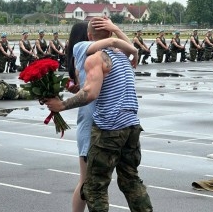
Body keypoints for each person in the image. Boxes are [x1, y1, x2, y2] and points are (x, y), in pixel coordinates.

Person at [46, 17, 153, 212]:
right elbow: (121, 45)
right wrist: (131, 47)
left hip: (108, 127)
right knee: (131, 180)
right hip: (132, 125)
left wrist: (61, 106)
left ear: (88, 36)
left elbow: (90, 93)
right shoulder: (122, 56)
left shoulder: (96, 57)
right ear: (110, 33)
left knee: (93, 187)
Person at [64, 19, 139, 212]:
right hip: (92, 122)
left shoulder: (102, 56)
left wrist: (117, 35)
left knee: (92, 182)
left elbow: (123, 47)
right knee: (88, 182)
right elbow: (117, 44)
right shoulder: (85, 49)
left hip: (104, 122)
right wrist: (117, 34)